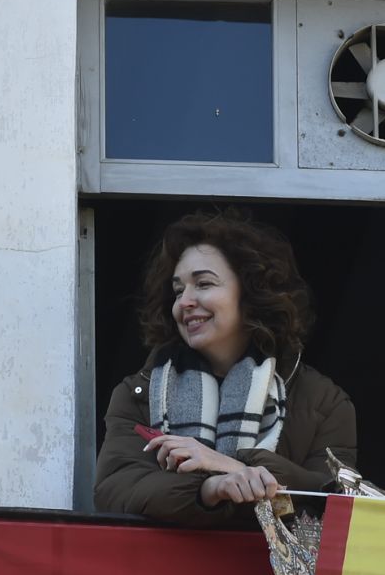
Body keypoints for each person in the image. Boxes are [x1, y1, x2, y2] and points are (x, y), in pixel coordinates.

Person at [93, 211, 357, 526]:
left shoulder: (324, 401)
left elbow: (338, 504)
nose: (185, 302)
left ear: (252, 292)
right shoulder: (137, 392)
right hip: (162, 572)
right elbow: (114, 489)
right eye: (178, 291)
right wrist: (210, 487)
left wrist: (228, 464)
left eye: (203, 284)